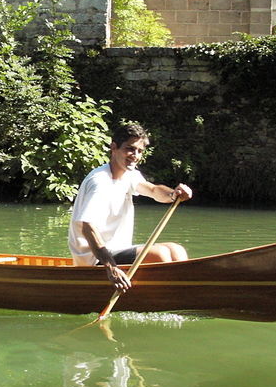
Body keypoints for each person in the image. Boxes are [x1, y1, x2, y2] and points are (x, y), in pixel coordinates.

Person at [69, 122, 192, 291]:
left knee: (176, 250)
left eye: (139, 151)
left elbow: (153, 190)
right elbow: (87, 227)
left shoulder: (130, 175)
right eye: (130, 149)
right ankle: (170, 295)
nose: (135, 155)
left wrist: (173, 194)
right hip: (94, 258)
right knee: (161, 255)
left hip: (117, 251)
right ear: (114, 147)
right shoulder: (99, 182)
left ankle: (181, 292)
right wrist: (111, 268)